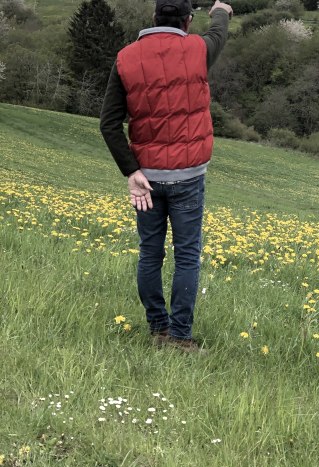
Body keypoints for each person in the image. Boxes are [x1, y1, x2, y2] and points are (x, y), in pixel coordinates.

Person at [100, 0, 233, 353]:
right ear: (188, 21)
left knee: (150, 253)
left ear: (153, 18)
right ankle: (180, 337)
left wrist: (131, 172)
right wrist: (220, 10)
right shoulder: (197, 50)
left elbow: (109, 124)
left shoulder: (126, 57)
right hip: (189, 175)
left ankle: (158, 330)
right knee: (187, 255)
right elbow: (218, 33)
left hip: (146, 179)